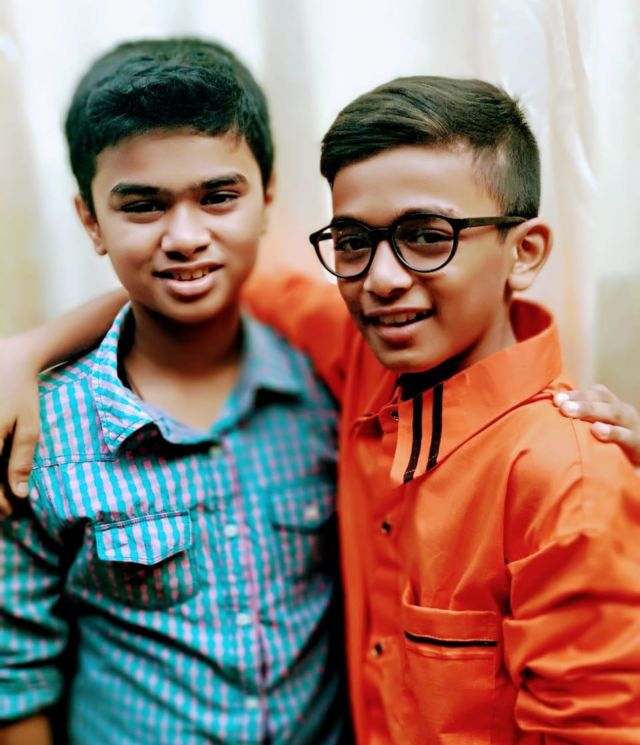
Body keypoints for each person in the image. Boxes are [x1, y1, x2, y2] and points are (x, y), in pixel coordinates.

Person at [1, 67, 640, 744]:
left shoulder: (566, 479)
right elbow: (201, 275)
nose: (383, 279)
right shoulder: (363, 352)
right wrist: (27, 351)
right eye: (354, 241)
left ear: (525, 252)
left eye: (429, 235)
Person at [0, 38, 347, 745]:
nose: (186, 237)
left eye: (218, 197)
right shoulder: (39, 436)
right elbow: (16, 678)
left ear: (267, 198)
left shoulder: (326, 382)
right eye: (142, 206)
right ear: (91, 221)